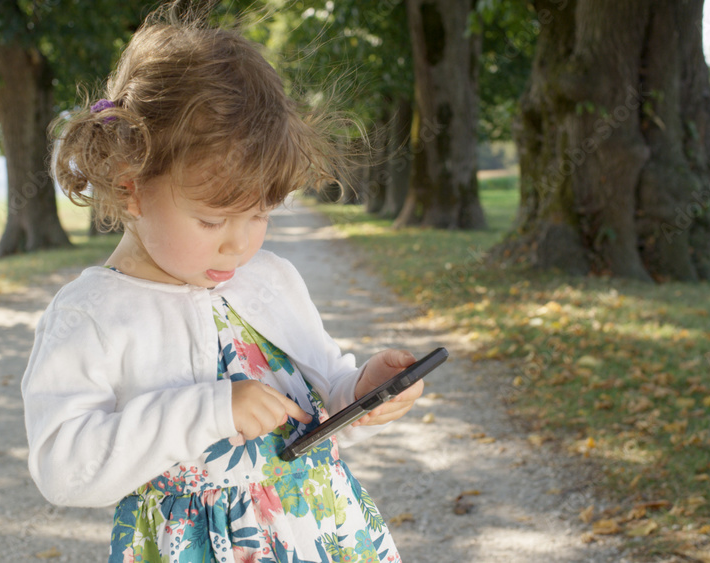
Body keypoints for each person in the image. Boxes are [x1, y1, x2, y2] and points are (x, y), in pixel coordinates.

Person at [21, 12, 423, 563]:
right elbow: (62, 468)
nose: (240, 245)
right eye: (212, 221)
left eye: (260, 215)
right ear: (131, 189)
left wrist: (358, 394)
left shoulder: (273, 280)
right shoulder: (92, 315)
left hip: (320, 533)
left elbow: (317, 403)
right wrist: (208, 411)